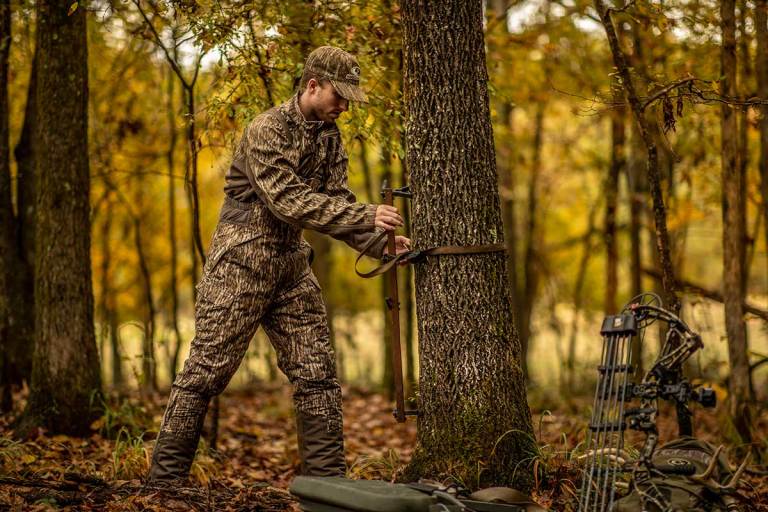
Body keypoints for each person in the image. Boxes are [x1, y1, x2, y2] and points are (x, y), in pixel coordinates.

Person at [148, 46, 411, 482]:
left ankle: (328, 486)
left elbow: (335, 203)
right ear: (312, 85)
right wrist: (367, 215)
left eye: (349, 98)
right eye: (338, 95)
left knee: (317, 374)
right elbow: (287, 200)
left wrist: (378, 241)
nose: (344, 106)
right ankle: (163, 482)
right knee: (204, 373)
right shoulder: (266, 129)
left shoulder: (330, 136)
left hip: (291, 267)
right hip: (240, 264)